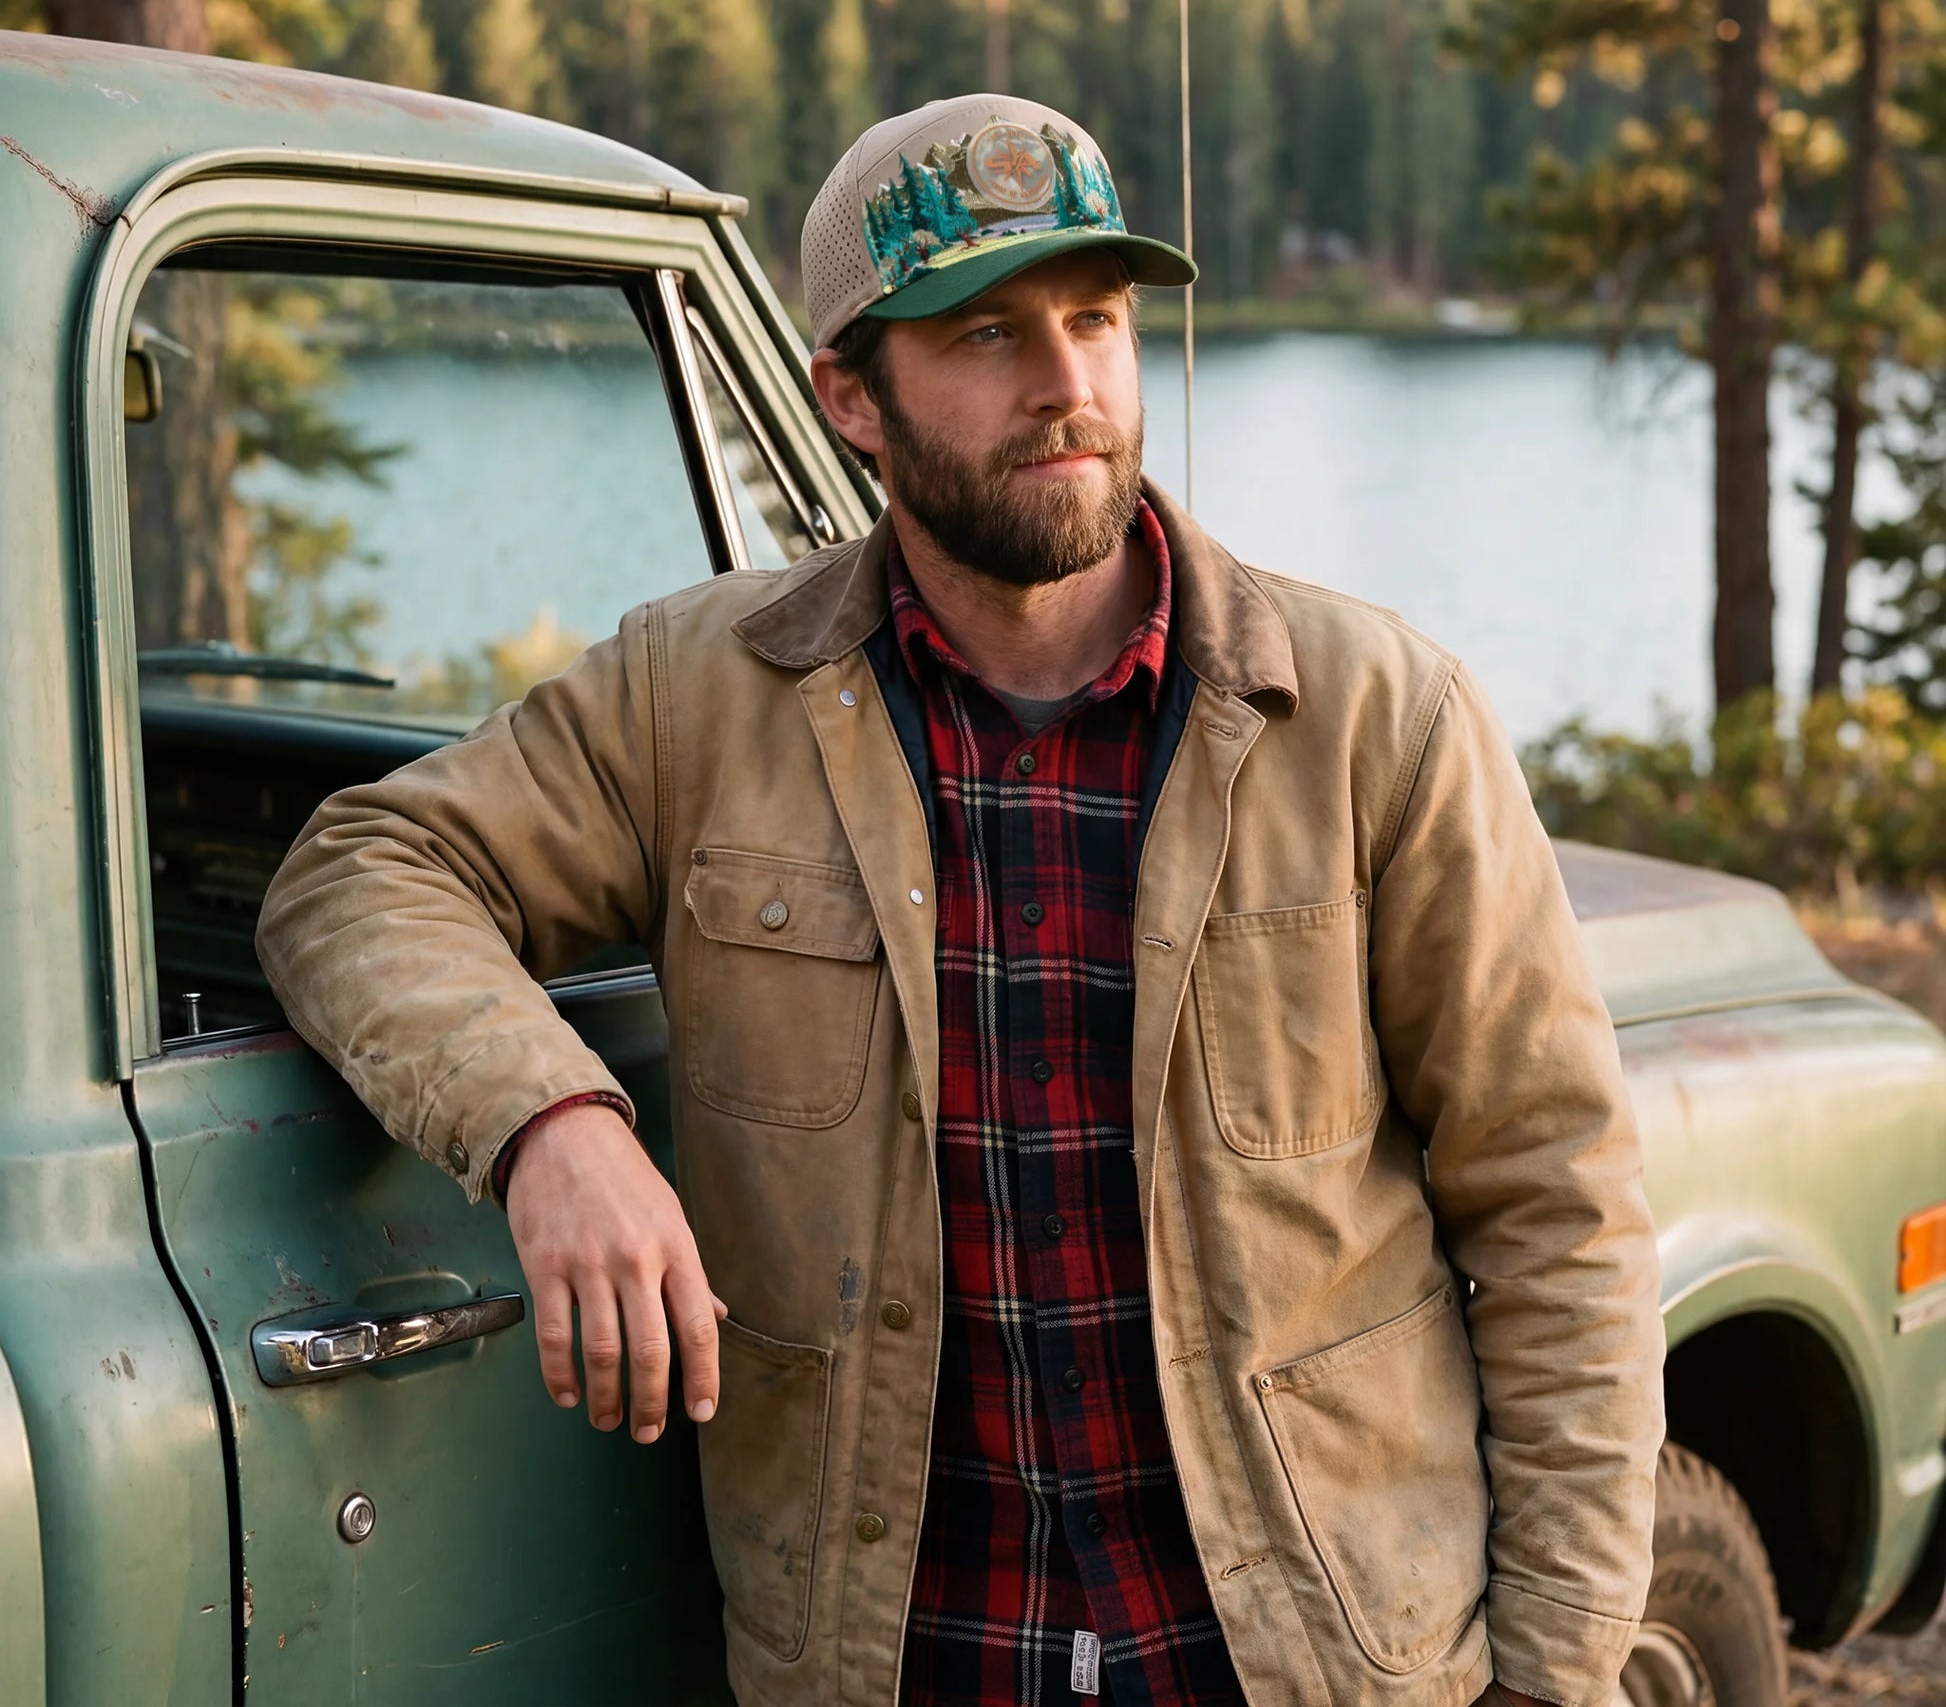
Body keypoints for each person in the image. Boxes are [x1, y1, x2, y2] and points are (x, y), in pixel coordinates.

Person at [258, 94, 1663, 1707]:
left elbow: (1557, 1207)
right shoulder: (695, 700)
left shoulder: (1373, 717)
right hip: (900, 1662)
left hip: (1305, 1663)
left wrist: (1554, 1680)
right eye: (987, 333)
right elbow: (359, 871)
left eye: (1096, 319)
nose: (1067, 385)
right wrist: (551, 1128)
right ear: (850, 396)